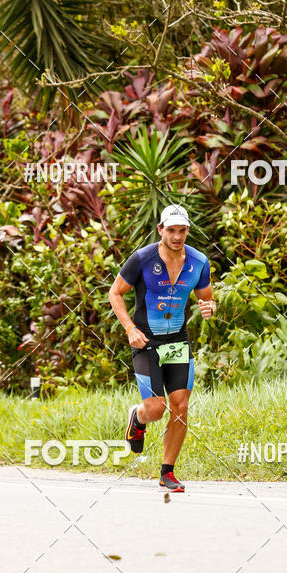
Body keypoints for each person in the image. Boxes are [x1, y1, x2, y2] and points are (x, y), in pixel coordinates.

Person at [108, 204, 216, 492]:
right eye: (171, 230)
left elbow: (207, 297)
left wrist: (209, 307)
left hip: (178, 342)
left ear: (188, 231)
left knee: (180, 407)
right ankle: (138, 417)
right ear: (160, 230)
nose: (177, 236)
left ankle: (167, 472)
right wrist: (130, 329)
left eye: (182, 231)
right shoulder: (141, 259)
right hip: (146, 342)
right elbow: (115, 293)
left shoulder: (199, 261)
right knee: (156, 409)